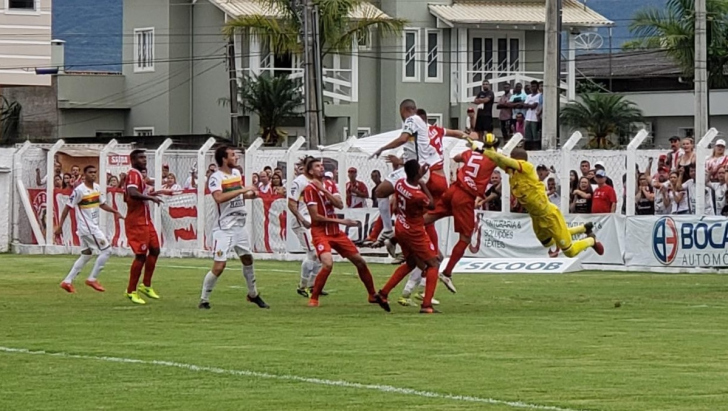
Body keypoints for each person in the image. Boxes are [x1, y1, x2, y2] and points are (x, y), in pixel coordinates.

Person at [399, 136, 498, 300]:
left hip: (452, 190)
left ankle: (398, 239)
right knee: (465, 237)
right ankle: (447, 273)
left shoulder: (470, 153)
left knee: (427, 220)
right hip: (465, 196)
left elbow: (457, 158)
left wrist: (474, 150)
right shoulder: (493, 159)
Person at [480, 146, 604, 257]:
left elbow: (505, 160)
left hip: (548, 215)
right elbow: (498, 160)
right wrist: (489, 147)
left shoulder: (527, 168)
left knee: (569, 252)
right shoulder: (513, 172)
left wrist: (480, 149)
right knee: (548, 242)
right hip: (536, 217)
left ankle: (591, 240)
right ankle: (583, 228)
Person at [302, 158, 380, 308]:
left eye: (322, 166)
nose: (321, 168)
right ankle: (314, 298)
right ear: (311, 171)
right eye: (317, 166)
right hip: (320, 232)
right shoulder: (309, 189)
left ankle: (372, 294)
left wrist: (324, 190)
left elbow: (339, 204)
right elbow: (315, 217)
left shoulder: (330, 184)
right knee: (327, 264)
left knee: (360, 261)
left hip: (335, 232)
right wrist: (341, 222)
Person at [198, 146, 268, 310]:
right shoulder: (216, 177)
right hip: (225, 228)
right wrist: (244, 189)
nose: (236, 157)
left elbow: (237, 194)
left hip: (239, 226)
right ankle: (204, 299)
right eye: (232, 155)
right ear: (224, 158)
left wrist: (250, 195)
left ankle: (253, 294)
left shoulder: (236, 174)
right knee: (219, 266)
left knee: (247, 259)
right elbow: (219, 197)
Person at [373, 159, 440, 314]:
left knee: (410, 263)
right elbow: (431, 205)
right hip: (414, 230)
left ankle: (383, 294)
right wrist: (423, 184)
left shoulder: (400, 183)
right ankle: (427, 304)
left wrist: (417, 178)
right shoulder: (417, 195)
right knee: (433, 264)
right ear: (417, 173)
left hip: (401, 226)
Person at [371, 99, 440, 246]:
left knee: (383, 193)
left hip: (415, 172)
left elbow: (403, 139)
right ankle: (394, 236)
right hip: (411, 169)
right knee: (393, 201)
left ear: (403, 111)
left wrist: (382, 148)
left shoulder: (411, 120)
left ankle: (395, 235)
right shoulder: (422, 125)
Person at [55, 165, 123, 293]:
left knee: (86, 254)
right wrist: (60, 226)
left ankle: (67, 281)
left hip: (91, 227)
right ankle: (92, 278)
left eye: (95, 172)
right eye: (90, 172)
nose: (93, 174)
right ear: (84, 175)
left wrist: (115, 212)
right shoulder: (79, 190)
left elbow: (102, 204)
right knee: (107, 250)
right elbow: (67, 208)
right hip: (88, 228)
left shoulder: (97, 188)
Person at [122, 149, 164, 305]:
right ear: (132, 160)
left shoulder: (139, 176)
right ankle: (131, 290)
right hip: (137, 222)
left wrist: (154, 193)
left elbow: (137, 193)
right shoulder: (133, 174)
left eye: (145, 157)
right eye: (140, 158)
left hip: (146, 220)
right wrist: (151, 198)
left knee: (155, 250)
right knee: (140, 255)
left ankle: (146, 285)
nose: (144, 160)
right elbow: (132, 193)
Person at [288, 156, 324, 298]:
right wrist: (301, 219)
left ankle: (313, 285)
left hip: (314, 221)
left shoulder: (318, 182)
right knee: (313, 253)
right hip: (302, 222)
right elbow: (291, 203)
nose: (321, 168)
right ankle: (303, 286)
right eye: (317, 166)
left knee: (321, 253)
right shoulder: (299, 182)